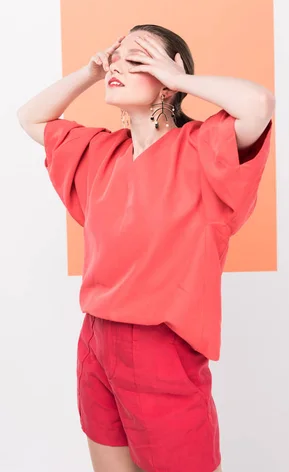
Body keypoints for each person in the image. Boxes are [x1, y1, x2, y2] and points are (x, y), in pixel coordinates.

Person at [17, 23, 275, 472]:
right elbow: (30, 117)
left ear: (169, 82)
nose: (118, 64)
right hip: (95, 340)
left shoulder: (201, 148)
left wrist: (180, 81)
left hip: (163, 348)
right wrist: (88, 72)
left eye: (139, 59)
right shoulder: (100, 152)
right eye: (117, 56)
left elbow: (259, 105)